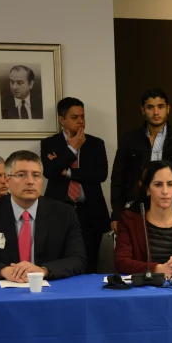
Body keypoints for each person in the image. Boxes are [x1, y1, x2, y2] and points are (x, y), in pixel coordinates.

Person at [0, 150, 87, 282]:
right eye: (21, 175)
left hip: (49, 288)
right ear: (6, 180)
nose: (30, 181)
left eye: (36, 175)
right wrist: (4, 271)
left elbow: (78, 259)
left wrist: (43, 270)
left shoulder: (64, 213)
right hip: (3, 288)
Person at [110, 88, 172, 232]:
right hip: (136, 207)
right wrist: (116, 213)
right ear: (142, 110)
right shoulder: (129, 139)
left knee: (171, 251)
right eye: (150, 107)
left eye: (160, 107)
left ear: (168, 108)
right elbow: (118, 178)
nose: (156, 112)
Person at [41, 97, 110, 274]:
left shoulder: (96, 143)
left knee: (90, 262)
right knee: (59, 260)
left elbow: (100, 175)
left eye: (82, 116)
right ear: (62, 120)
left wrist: (67, 172)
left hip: (90, 211)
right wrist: (72, 150)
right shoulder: (50, 143)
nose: (80, 121)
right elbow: (50, 171)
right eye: (74, 117)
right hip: (59, 210)